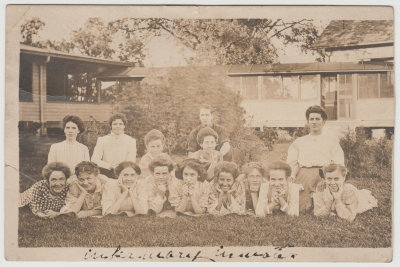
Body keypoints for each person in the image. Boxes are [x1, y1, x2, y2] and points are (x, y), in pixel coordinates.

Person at [286, 105, 344, 212]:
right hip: (304, 176)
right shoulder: (299, 142)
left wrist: (328, 179)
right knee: (299, 208)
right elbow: (292, 163)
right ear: (308, 122)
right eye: (311, 119)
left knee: (328, 206)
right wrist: (292, 176)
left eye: (317, 119)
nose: (314, 122)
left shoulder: (332, 142)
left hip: (325, 176)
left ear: (323, 121)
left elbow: (338, 164)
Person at [313, 163, 378, 222]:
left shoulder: (350, 191)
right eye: (329, 179)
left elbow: (349, 218)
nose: (332, 183)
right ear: (325, 179)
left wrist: (338, 200)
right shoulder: (321, 189)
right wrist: (329, 203)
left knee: (365, 199)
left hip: (358, 200)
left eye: (336, 179)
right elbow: (317, 214)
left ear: (343, 178)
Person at [92, 114, 137, 178]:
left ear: (124, 126)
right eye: (115, 124)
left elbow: (131, 160)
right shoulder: (102, 140)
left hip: (124, 173)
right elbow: (94, 159)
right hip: (106, 172)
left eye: (120, 124)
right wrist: (109, 165)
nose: (118, 126)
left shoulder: (131, 141)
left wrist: (122, 167)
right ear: (111, 126)